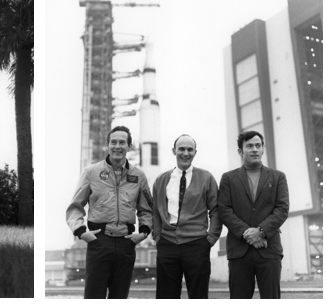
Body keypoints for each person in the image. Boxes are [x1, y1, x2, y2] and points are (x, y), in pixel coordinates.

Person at [66, 125, 154, 299]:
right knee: (93, 296)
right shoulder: (91, 173)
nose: (117, 146)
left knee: (119, 296)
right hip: (99, 242)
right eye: (113, 142)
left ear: (129, 147)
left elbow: (146, 210)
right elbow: (75, 206)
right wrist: (81, 232)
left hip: (126, 243)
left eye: (122, 142)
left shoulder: (139, 176)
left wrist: (143, 233)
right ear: (107, 145)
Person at [218, 131, 289, 299]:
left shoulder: (278, 177)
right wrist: (247, 233)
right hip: (239, 251)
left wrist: (261, 231)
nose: (254, 149)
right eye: (249, 146)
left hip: (269, 249)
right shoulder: (228, 178)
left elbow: (282, 209)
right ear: (240, 151)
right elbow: (224, 209)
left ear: (263, 149)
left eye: (258, 145)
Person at [150, 134, 222, 299]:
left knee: (198, 295)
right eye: (181, 149)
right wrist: (158, 236)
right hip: (167, 244)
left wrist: (210, 239)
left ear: (195, 152)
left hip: (197, 244)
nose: (185, 153)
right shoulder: (161, 180)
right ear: (174, 151)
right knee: (166, 296)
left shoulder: (206, 178)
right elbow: (155, 211)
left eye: (190, 149)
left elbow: (216, 210)